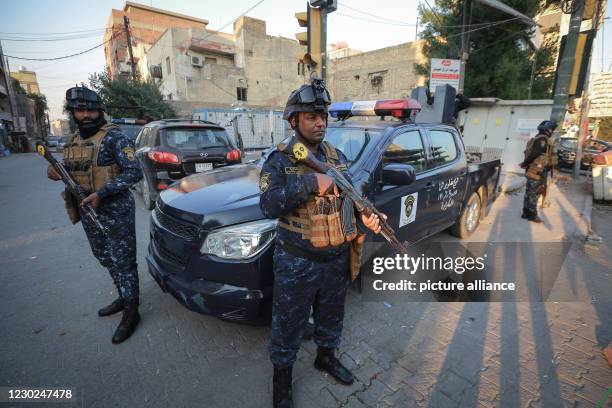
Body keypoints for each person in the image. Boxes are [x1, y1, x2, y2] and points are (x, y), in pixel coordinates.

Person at [259, 79, 384, 408]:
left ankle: (325, 357)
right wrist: (309, 182)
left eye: (323, 116)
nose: (320, 123)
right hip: (297, 261)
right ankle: (282, 380)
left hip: (335, 258)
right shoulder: (281, 160)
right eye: (312, 116)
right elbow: (268, 205)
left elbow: (347, 201)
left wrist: (364, 220)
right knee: (288, 324)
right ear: (294, 121)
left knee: (332, 316)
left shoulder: (336, 156)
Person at [46, 86, 143, 344]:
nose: (86, 114)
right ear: (73, 113)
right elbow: (72, 170)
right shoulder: (75, 141)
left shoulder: (115, 138)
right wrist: (56, 173)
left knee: (124, 261)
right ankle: (123, 296)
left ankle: (133, 311)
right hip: (87, 209)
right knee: (104, 257)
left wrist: (103, 192)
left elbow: (134, 172)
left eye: (91, 109)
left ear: (99, 111)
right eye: (80, 110)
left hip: (115, 210)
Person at [520, 120, 557, 223]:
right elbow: (534, 154)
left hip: (531, 170)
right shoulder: (543, 140)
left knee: (529, 191)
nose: (552, 132)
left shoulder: (536, 138)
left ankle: (525, 212)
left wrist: (525, 163)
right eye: (552, 130)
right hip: (537, 171)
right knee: (534, 193)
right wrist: (524, 163)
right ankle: (532, 214)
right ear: (548, 130)